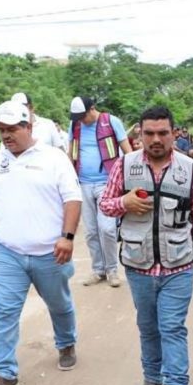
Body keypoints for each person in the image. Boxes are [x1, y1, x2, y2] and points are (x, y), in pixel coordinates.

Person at [99, 106, 193, 385]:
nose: (156, 139)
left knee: (172, 327)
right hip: (139, 265)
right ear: (140, 134)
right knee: (148, 326)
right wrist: (124, 202)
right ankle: (152, 378)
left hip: (179, 264)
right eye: (149, 133)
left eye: (163, 133)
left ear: (174, 134)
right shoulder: (125, 165)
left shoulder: (190, 168)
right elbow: (105, 204)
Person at [0, 101, 83, 385]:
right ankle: (5, 372)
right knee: (4, 311)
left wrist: (67, 237)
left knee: (59, 304)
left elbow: (72, 199)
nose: (6, 135)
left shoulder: (53, 158)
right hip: (8, 252)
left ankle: (66, 342)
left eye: (12, 129)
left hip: (51, 252)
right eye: (1, 130)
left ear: (28, 127)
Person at [68, 96, 132, 287]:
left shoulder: (112, 122)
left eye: (83, 116)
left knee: (107, 229)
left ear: (92, 109)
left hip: (108, 183)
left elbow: (127, 151)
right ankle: (98, 270)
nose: (81, 120)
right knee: (91, 232)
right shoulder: (75, 125)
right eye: (77, 117)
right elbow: (71, 152)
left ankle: (112, 270)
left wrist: (132, 178)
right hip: (83, 184)